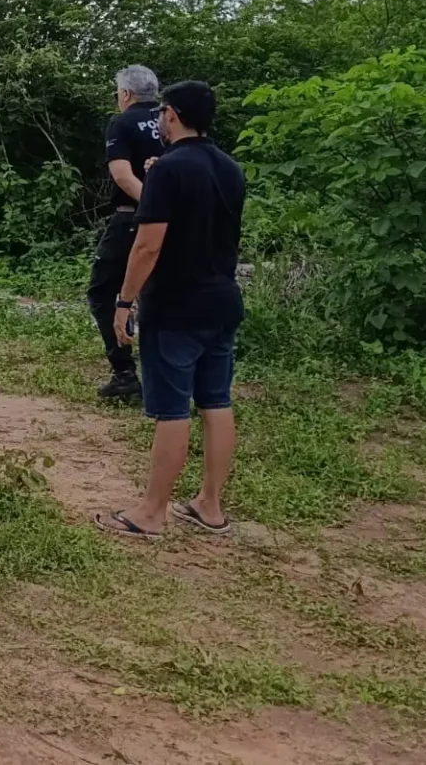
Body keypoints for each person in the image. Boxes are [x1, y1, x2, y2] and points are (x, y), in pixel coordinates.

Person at [96, 80, 245, 540]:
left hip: (175, 303)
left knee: (172, 409)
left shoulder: (167, 170)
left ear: (174, 115)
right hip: (221, 298)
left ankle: (151, 512)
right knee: (216, 401)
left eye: (162, 113)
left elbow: (146, 246)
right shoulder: (230, 168)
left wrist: (124, 301)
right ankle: (210, 505)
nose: (158, 119)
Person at [88, 65, 166, 403]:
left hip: (133, 217)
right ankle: (165, 373)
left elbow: (122, 175)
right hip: (179, 221)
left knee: (104, 291)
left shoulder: (122, 122)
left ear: (125, 94)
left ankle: (124, 374)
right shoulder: (171, 119)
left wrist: (153, 205)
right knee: (159, 291)